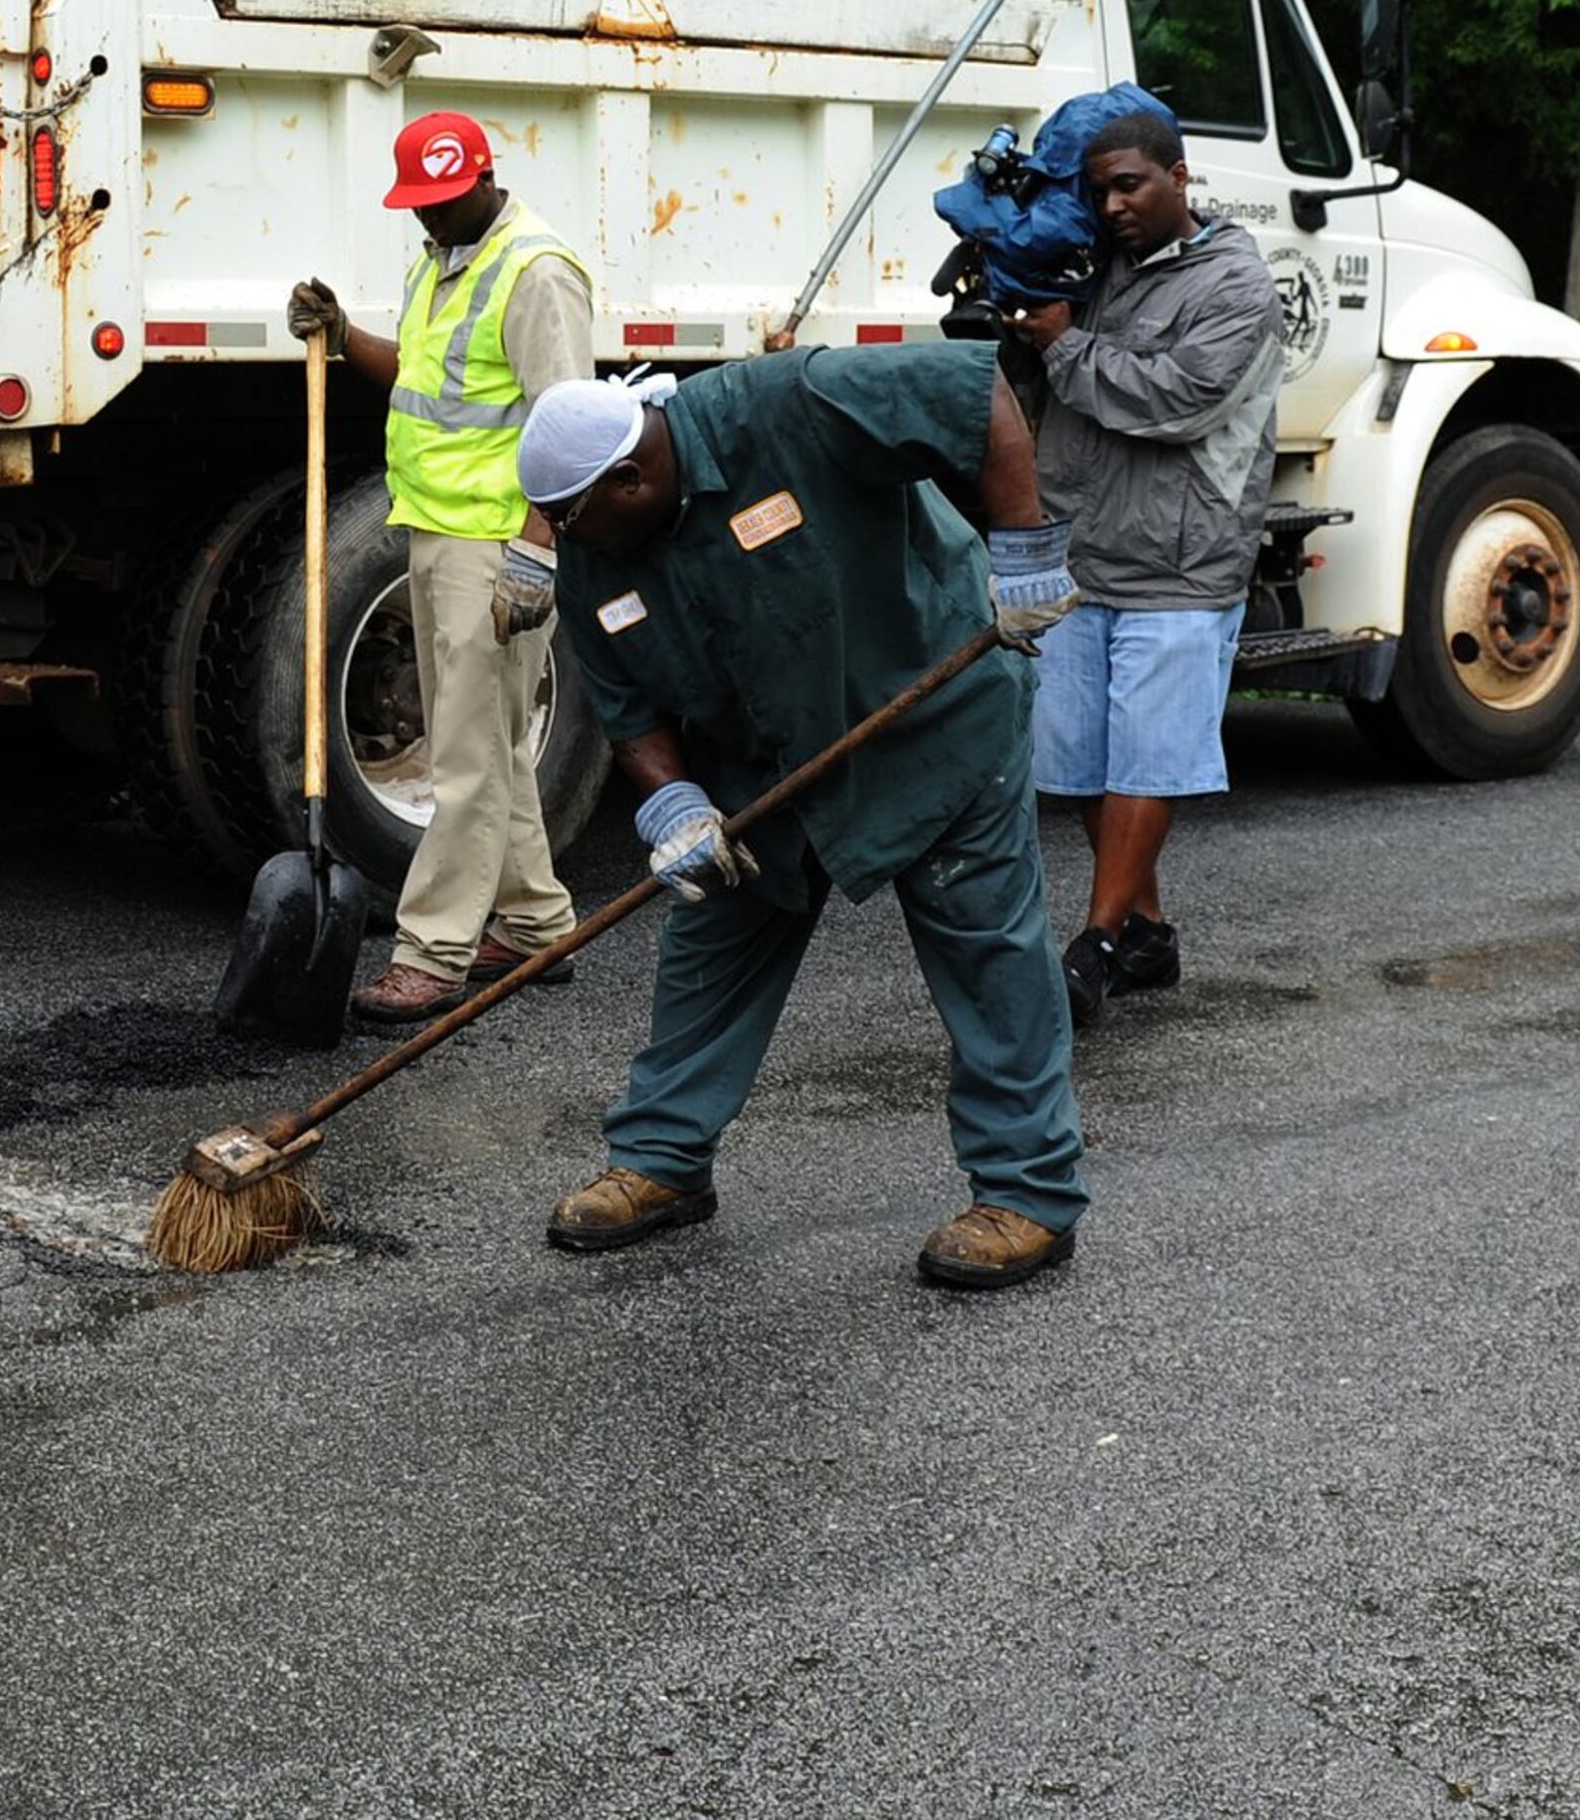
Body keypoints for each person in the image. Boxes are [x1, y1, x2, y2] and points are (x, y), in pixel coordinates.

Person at [516, 351, 1087, 1290]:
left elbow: (974, 394)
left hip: (929, 721)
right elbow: (627, 704)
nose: (558, 538)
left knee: (986, 951)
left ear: (630, 476)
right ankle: (662, 1158)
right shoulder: (592, 546)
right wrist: (674, 803)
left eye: (567, 517)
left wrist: (1025, 555)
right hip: (761, 765)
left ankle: (1027, 1191)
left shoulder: (784, 402)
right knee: (713, 940)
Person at [284, 111, 593, 1024]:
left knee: (459, 756)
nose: (429, 221)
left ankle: (434, 950)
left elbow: (568, 430)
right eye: (419, 205)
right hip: (433, 527)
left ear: (486, 182)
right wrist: (344, 336)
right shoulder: (442, 261)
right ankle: (536, 923)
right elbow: (422, 377)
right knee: (487, 741)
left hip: (496, 543)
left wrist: (538, 552)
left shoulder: (537, 273)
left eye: (444, 204)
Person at [1001, 98, 1284, 1028]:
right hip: (1085, 549)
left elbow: (1179, 400)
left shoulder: (1237, 285)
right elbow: (1042, 387)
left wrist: (1063, 342)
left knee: (1148, 762)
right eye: (1098, 192)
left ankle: (1092, 948)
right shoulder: (1093, 271)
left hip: (1184, 559)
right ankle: (1148, 930)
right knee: (1081, 760)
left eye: (1131, 185)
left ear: (1179, 177)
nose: (1114, 206)